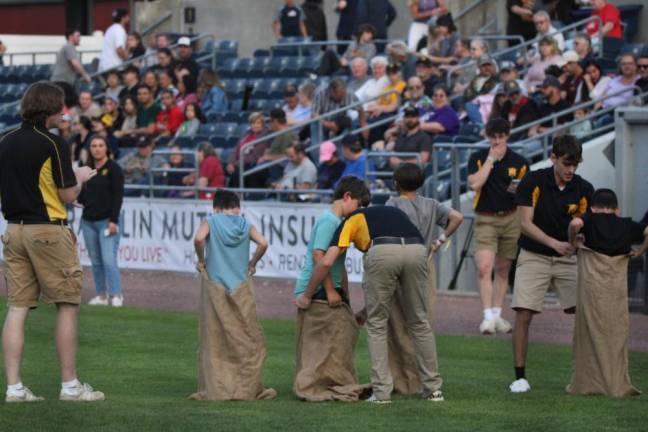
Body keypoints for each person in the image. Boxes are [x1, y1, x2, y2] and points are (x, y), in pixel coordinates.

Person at [0, 81, 104, 403]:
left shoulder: (5, 140)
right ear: (50, 107)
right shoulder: (54, 143)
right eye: (61, 105)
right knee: (67, 305)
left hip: (14, 229)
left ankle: (14, 388)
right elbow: (66, 194)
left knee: (17, 307)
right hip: (46, 228)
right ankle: (70, 387)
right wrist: (82, 176)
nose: (65, 111)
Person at [295, 203, 445, 404]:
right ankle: (433, 389)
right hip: (418, 249)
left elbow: (326, 261)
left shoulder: (349, 220)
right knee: (419, 322)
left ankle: (382, 393)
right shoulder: (394, 211)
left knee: (377, 324)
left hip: (382, 249)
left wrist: (307, 294)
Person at [510, 135, 594, 393]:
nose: (571, 170)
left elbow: (582, 225)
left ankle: (586, 374)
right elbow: (525, 223)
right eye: (566, 163)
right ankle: (520, 377)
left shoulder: (584, 189)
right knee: (524, 312)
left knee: (583, 312)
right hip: (534, 254)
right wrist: (554, 243)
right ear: (553, 158)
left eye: (575, 164)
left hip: (568, 258)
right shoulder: (533, 180)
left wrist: (576, 241)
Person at [383, 163, 463, 394]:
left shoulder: (393, 203)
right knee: (422, 324)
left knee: (398, 323)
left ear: (396, 183)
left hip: (400, 263)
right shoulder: (431, 203)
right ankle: (424, 381)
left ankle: (404, 380)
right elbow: (457, 217)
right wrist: (440, 240)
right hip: (425, 265)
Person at [190, 190, 276, 401]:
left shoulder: (211, 220)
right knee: (243, 336)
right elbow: (264, 243)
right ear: (237, 206)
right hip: (240, 286)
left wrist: (201, 260)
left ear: (216, 207)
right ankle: (244, 384)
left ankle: (218, 385)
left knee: (215, 337)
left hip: (215, 285)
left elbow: (199, 239)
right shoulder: (245, 224)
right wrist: (253, 264)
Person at [293, 177, 370, 401]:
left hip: (322, 287)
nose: (358, 212)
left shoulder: (337, 221)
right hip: (318, 288)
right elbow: (320, 256)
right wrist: (329, 290)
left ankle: (329, 381)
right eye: (358, 205)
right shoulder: (330, 220)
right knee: (332, 341)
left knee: (337, 338)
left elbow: (332, 261)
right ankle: (320, 384)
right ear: (346, 197)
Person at [566, 189, 647, 397]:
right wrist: (640, 251)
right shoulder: (626, 224)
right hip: (616, 289)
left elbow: (575, 224)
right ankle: (615, 381)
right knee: (615, 330)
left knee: (589, 329)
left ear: (593, 208)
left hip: (592, 286)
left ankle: (588, 382)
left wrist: (573, 242)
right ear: (616, 209)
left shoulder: (590, 219)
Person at [467, 118, 529, 335]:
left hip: (510, 218)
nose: (497, 140)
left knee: (503, 269)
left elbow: (521, 192)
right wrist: (490, 160)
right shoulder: (478, 157)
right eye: (493, 136)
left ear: (507, 136)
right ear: (488, 136)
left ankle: (496, 314)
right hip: (486, 218)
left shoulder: (519, 161)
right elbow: (475, 183)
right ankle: (486, 317)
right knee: (484, 267)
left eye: (501, 136)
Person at [79, 135, 125, 308]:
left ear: (106, 148)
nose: (97, 148)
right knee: (96, 261)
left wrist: (114, 220)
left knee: (108, 260)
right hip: (88, 221)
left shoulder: (114, 169)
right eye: (94, 146)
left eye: (100, 145)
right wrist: (77, 198)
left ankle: (116, 295)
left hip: (107, 221)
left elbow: (117, 197)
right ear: (90, 149)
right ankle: (101, 295)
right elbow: (83, 194)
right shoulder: (86, 170)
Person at [226, 112, 269, 187]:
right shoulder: (247, 133)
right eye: (253, 123)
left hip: (251, 163)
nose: (255, 125)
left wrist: (237, 164)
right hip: (240, 163)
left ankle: (233, 196)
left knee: (236, 174)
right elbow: (236, 149)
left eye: (258, 123)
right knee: (225, 168)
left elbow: (255, 154)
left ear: (262, 124)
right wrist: (231, 163)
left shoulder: (265, 135)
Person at [98, 8, 129, 72]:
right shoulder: (119, 30)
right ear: (123, 18)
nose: (129, 18)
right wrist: (127, 58)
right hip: (113, 67)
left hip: (104, 66)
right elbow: (119, 49)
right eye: (127, 16)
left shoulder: (110, 29)